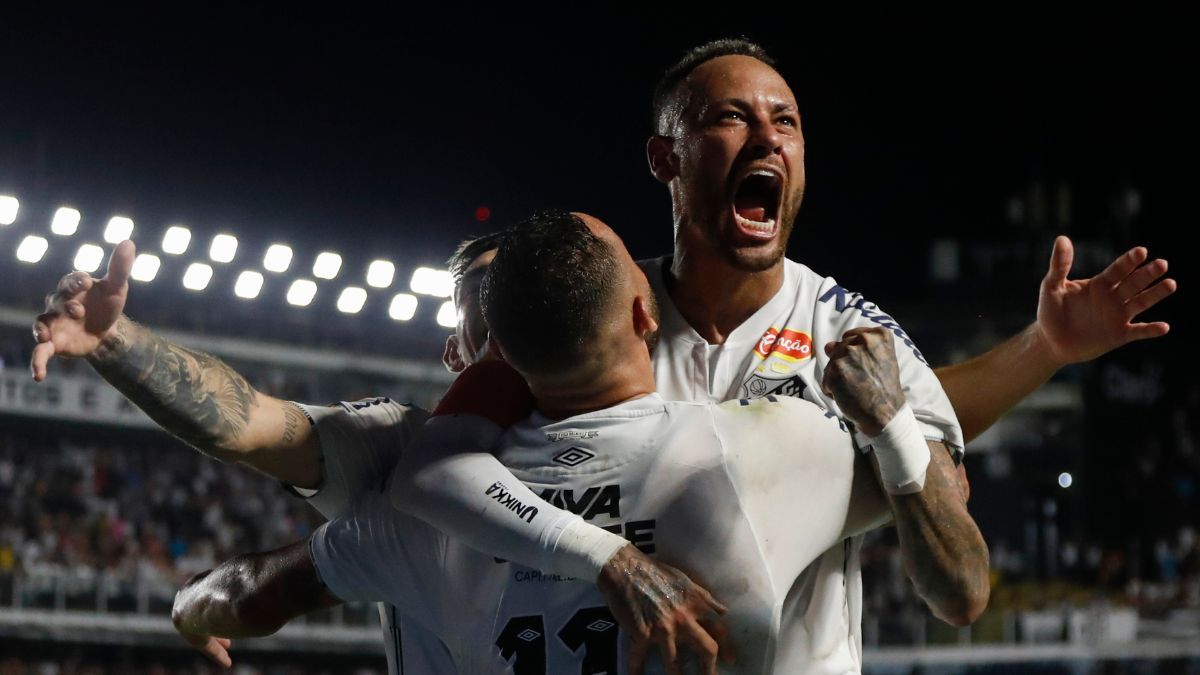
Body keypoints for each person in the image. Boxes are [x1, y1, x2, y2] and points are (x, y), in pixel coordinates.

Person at [380, 38, 1178, 673]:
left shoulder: (853, 332)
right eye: (732, 117)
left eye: (787, 121)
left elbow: (962, 591)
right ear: (666, 159)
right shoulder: (594, 314)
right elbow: (439, 475)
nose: (767, 136)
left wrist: (1029, 355)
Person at [174, 210, 905, 674]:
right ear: (646, 317)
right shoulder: (761, 449)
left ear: (483, 356)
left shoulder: (413, 507)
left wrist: (191, 609)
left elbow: (250, 590)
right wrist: (907, 423)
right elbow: (931, 495)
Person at [28, 236, 719, 672]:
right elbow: (247, 425)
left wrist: (196, 605)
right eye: (496, 307)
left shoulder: (697, 444)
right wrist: (116, 342)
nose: (522, 315)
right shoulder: (399, 450)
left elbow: (254, 590)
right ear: (456, 352)